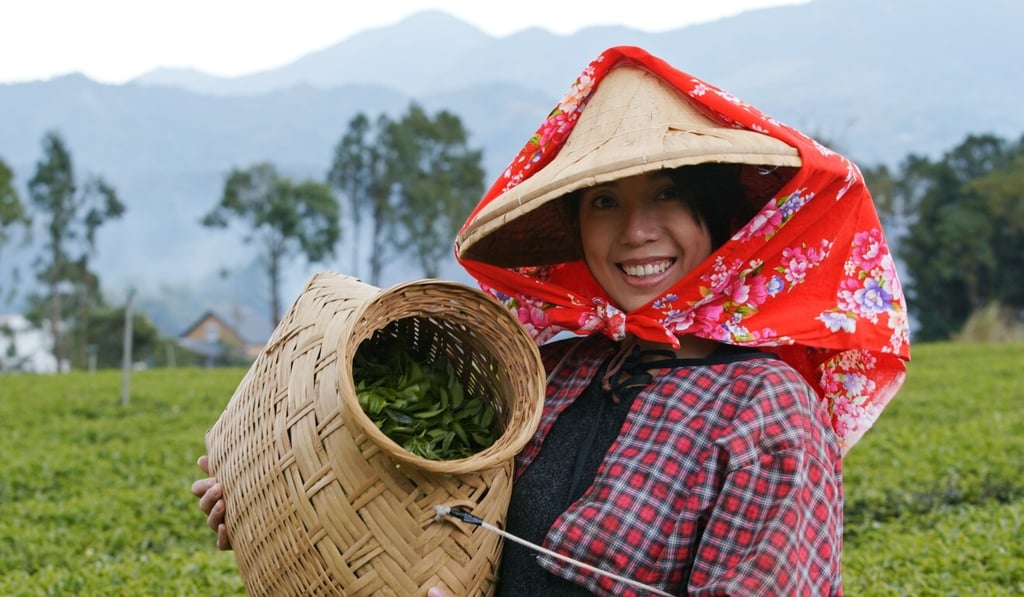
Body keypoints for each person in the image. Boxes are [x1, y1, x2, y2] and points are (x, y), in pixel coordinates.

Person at [194, 45, 910, 595]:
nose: (635, 232)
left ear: (717, 217)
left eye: (665, 195)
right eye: (605, 202)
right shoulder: (551, 374)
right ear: (576, 224)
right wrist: (273, 497)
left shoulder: (765, 414)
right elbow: (433, 528)